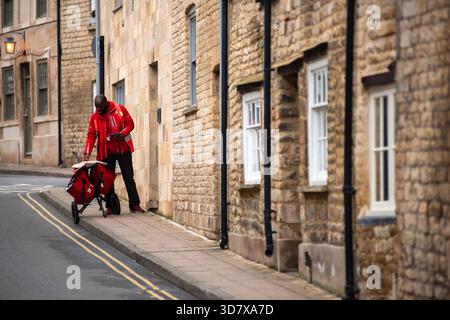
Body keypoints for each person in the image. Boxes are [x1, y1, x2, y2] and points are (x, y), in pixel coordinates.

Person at [83, 94, 145, 214]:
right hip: (107, 152)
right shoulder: (95, 117)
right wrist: (87, 151)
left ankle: (134, 205)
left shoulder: (119, 109)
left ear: (106, 103)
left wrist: (122, 133)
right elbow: (91, 135)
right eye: (97, 108)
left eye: (100, 107)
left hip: (123, 150)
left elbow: (131, 124)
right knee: (108, 180)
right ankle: (110, 206)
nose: (98, 110)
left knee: (128, 177)